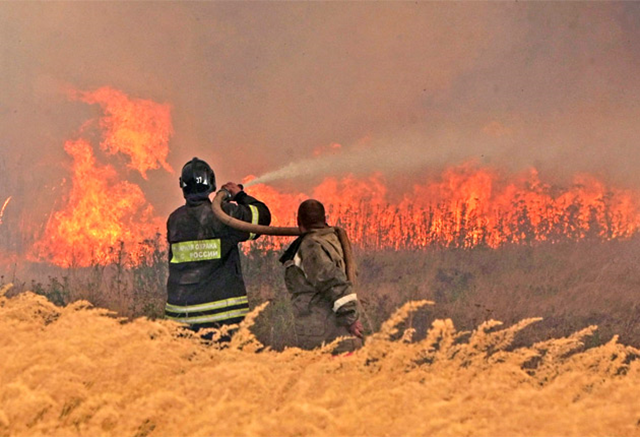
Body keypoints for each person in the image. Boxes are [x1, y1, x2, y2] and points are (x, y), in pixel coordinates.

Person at [165, 157, 271, 336]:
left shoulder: (175, 220)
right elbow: (261, 219)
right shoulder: (224, 214)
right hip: (221, 320)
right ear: (211, 183)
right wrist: (239, 196)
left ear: (183, 186)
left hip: (181, 318)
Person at [280, 199, 364, 354]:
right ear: (325, 219)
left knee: (326, 376)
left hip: (325, 333)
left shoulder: (312, 247)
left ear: (298, 221)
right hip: (332, 330)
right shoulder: (332, 239)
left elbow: (333, 282)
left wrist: (351, 319)